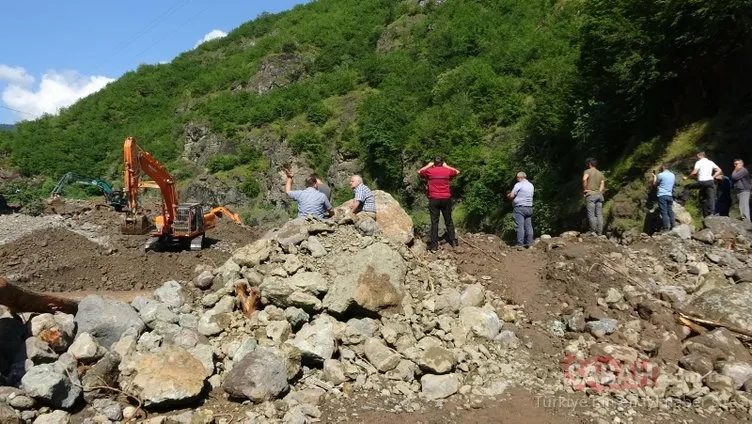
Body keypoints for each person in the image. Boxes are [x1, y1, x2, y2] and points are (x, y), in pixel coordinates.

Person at [418, 156, 460, 251]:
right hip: (446, 198)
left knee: (434, 222)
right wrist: (447, 166)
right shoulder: (447, 171)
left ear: (434, 163)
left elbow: (419, 172)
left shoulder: (429, 171)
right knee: (448, 220)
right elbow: (457, 171)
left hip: (434, 199)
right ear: (442, 162)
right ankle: (453, 241)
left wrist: (428, 165)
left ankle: (434, 246)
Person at [679, 151, 722, 217]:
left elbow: (694, 172)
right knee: (711, 198)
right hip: (710, 182)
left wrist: (687, 177)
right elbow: (719, 170)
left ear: (700, 156)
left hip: (702, 182)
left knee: (687, 187)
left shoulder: (699, 162)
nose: (697, 158)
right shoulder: (710, 162)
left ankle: (682, 201)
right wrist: (712, 177)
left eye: (697, 156)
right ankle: (712, 213)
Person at [507, 171, 534, 249]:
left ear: (520, 177)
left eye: (517, 178)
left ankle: (520, 244)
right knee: (528, 226)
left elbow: (512, 196)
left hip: (520, 208)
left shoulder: (518, 185)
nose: (517, 179)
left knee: (520, 226)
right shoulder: (531, 185)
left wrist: (508, 195)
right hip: (529, 207)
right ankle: (530, 243)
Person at [582, 158, 605, 235]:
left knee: (591, 214)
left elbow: (584, 179)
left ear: (589, 164)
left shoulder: (587, 171)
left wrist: (585, 189)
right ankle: (600, 232)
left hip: (591, 195)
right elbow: (602, 184)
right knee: (599, 214)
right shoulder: (600, 173)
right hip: (599, 195)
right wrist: (599, 192)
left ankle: (593, 231)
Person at [652, 164, 676, 231]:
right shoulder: (673, 175)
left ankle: (666, 228)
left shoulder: (660, 175)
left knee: (664, 212)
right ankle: (673, 226)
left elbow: (654, 184)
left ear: (663, 167)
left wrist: (654, 177)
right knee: (670, 211)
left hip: (662, 195)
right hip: (669, 195)